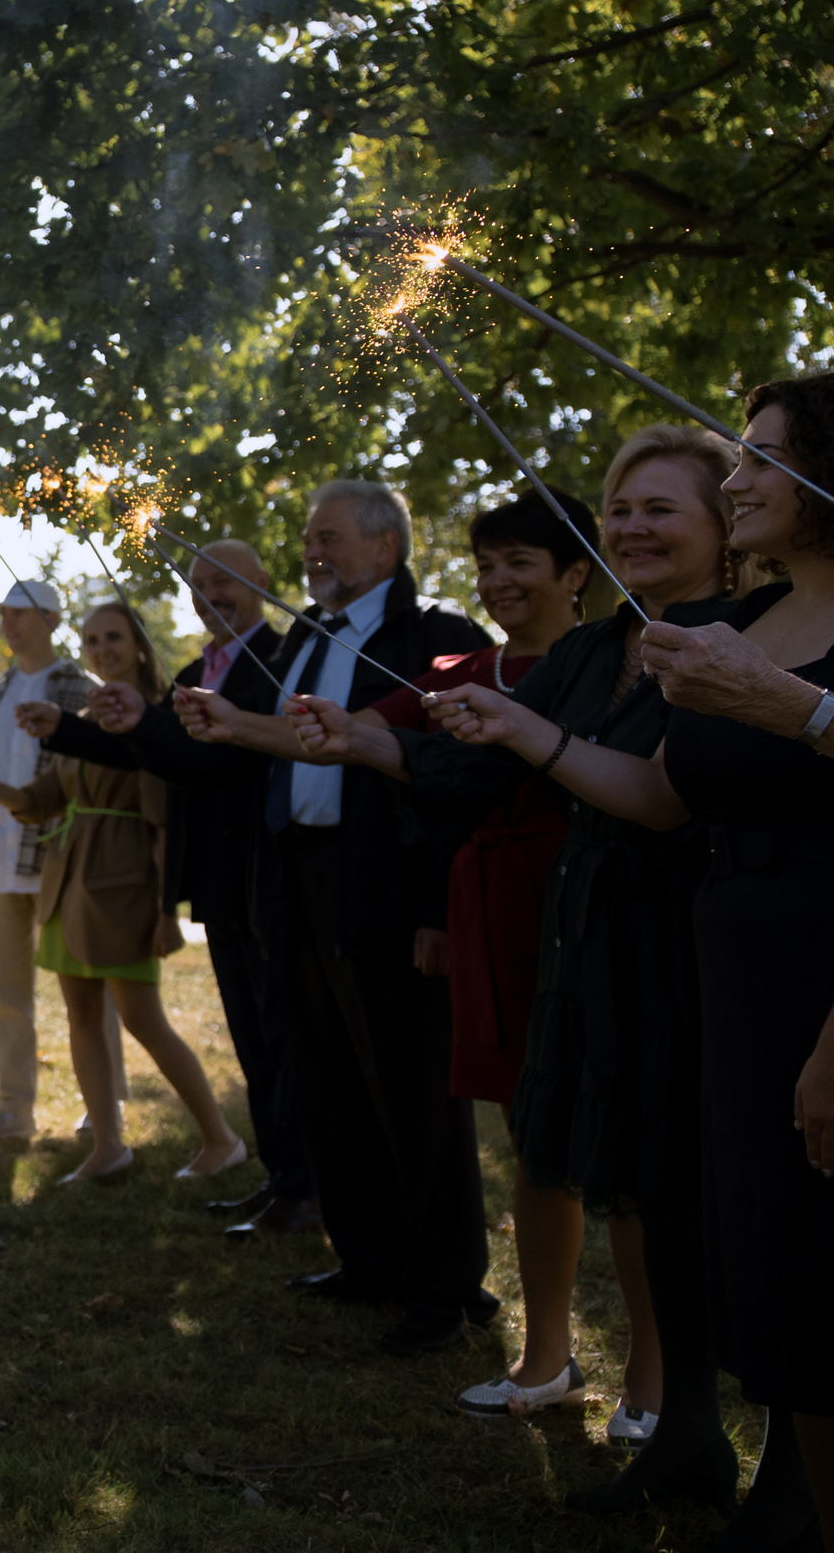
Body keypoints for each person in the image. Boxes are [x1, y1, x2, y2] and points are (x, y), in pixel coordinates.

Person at [295, 441, 743, 1501]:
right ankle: (566, 1370)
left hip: (679, 930)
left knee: (656, 1174)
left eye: (658, 508)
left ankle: (667, 1399)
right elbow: (472, 770)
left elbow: (657, 793)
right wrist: (363, 743)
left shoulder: (744, 640)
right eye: (618, 508)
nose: (630, 526)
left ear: (725, 525)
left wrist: (522, 734)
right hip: (578, 928)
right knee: (550, 1141)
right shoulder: (594, 649)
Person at [432, 378, 834, 1545]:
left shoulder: (764, 645)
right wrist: (527, 730)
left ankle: (798, 1501)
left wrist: (794, 712)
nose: (739, 477)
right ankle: (764, 1474)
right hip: (734, 969)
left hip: (820, 962)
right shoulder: (751, 625)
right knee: (756, 1240)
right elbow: (662, 797)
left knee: (819, 1247)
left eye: (760, 458)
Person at [166, 480, 495, 1355]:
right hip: (301, 882)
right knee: (329, 1077)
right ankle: (368, 1258)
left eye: (331, 537)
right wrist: (229, 723)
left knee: (414, 1090)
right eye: (311, 537)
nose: (313, 552)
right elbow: (293, 740)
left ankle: (445, 1287)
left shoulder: (436, 634)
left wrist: (436, 907)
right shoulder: (306, 632)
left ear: (385, 547)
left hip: (388, 882)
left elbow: (457, 778)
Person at [30, 540, 316, 1237]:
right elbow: (159, 756)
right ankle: (280, 1178)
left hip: (270, 871)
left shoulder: (281, 659)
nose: (209, 593)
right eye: (198, 583)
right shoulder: (193, 673)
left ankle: (307, 1184)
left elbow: (239, 762)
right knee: (252, 1037)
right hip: (218, 879)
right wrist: (69, 729)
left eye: (225, 580)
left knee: (286, 1036)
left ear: (262, 582)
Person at [0, 602, 247, 1184]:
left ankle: (221, 1138)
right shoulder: (84, 719)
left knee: (143, 1019)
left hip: (123, 887)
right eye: (91, 641)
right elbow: (42, 801)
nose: (101, 650)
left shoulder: (157, 719)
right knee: (81, 1015)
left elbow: (162, 825)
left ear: (138, 645)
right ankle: (108, 1146)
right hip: (68, 888)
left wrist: (166, 912)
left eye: (112, 637)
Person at [0, 579, 116, 1141]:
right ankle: (13, 1111)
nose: (8, 624)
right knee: (7, 996)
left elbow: (89, 778)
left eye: (18, 614)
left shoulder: (82, 688)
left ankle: (102, 1110)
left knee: (87, 991)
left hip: (62, 859)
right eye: (3, 615)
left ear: (51, 620)